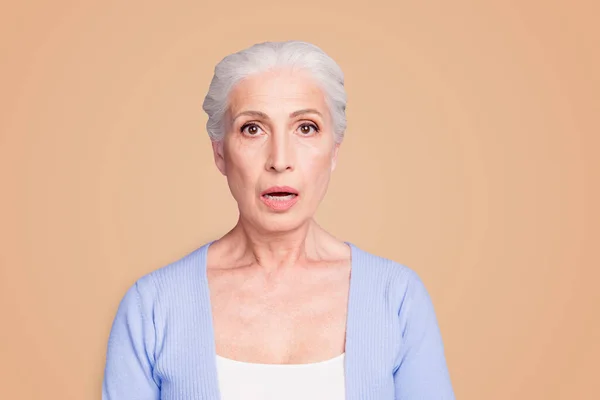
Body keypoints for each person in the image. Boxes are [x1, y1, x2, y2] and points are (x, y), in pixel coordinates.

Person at [102, 40, 455, 400]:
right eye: (253, 128)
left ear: (334, 151)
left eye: (306, 128)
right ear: (220, 153)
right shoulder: (152, 307)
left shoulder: (396, 298)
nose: (280, 160)